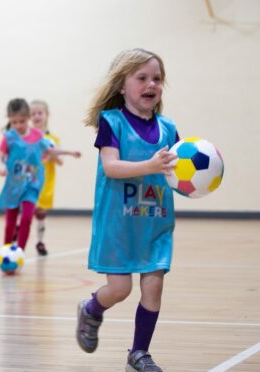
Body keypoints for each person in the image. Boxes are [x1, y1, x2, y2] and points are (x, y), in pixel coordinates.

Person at [75, 48, 180, 372]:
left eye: (157, 79)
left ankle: (139, 353)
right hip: (119, 224)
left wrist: (194, 182)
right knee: (120, 289)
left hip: (155, 222)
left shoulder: (168, 128)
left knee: (154, 284)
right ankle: (92, 309)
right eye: (142, 78)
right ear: (122, 85)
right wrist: (149, 165)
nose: (152, 84)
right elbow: (111, 167)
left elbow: (177, 173)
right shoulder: (112, 122)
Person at [0, 98, 80, 253]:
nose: (18, 126)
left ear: (28, 118)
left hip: (32, 185)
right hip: (14, 185)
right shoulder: (8, 137)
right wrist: (1, 167)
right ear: (9, 120)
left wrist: (68, 152)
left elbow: (49, 151)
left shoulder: (37, 135)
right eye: (14, 122)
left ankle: (19, 252)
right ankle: (6, 249)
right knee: (11, 222)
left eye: (22, 121)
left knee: (27, 218)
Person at [29, 100, 81, 255]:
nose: (36, 116)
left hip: (46, 181)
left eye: (40, 113)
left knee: (41, 212)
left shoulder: (54, 139)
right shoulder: (27, 137)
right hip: (30, 179)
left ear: (47, 115)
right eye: (33, 114)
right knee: (27, 209)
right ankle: (18, 238)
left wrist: (53, 156)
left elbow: (60, 162)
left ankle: (40, 242)